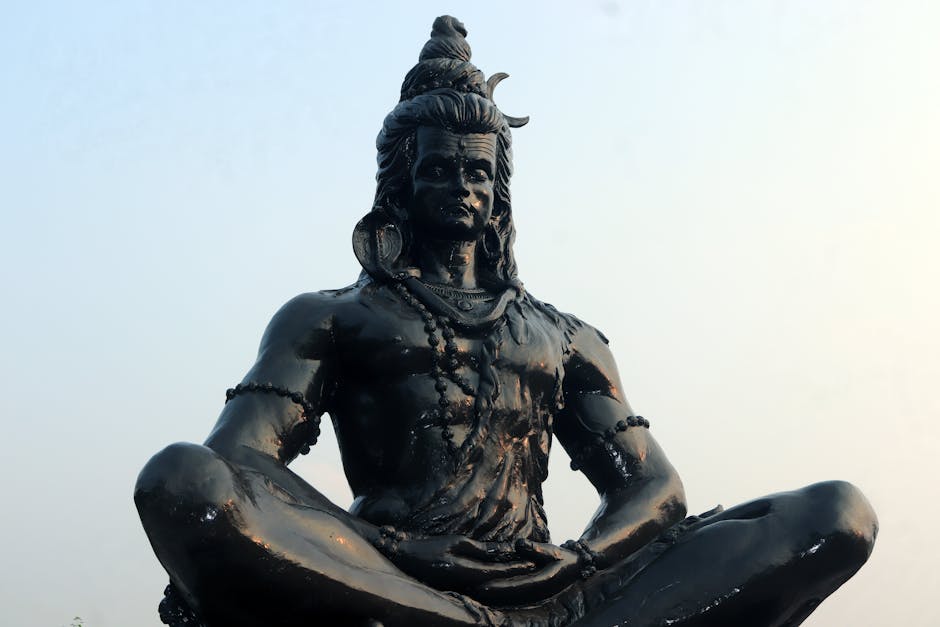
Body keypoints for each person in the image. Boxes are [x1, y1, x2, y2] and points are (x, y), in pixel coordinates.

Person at [135, 16, 877, 627]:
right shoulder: (333, 316)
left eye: (477, 171)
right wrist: (386, 543)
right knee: (181, 481)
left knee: (835, 513)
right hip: (391, 577)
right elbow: (240, 457)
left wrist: (581, 559)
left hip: (559, 591)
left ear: (499, 188)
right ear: (401, 183)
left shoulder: (563, 335)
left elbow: (655, 488)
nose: (461, 187)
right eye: (439, 169)